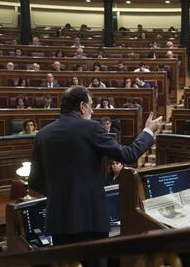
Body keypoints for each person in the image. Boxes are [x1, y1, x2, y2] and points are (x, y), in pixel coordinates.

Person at [28, 86, 162, 265]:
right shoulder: (90, 128)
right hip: (90, 219)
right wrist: (148, 131)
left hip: (58, 220)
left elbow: (34, 181)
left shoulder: (42, 134)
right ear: (82, 106)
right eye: (91, 105)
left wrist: (60, 195)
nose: (93, 110)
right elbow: (128, 155)